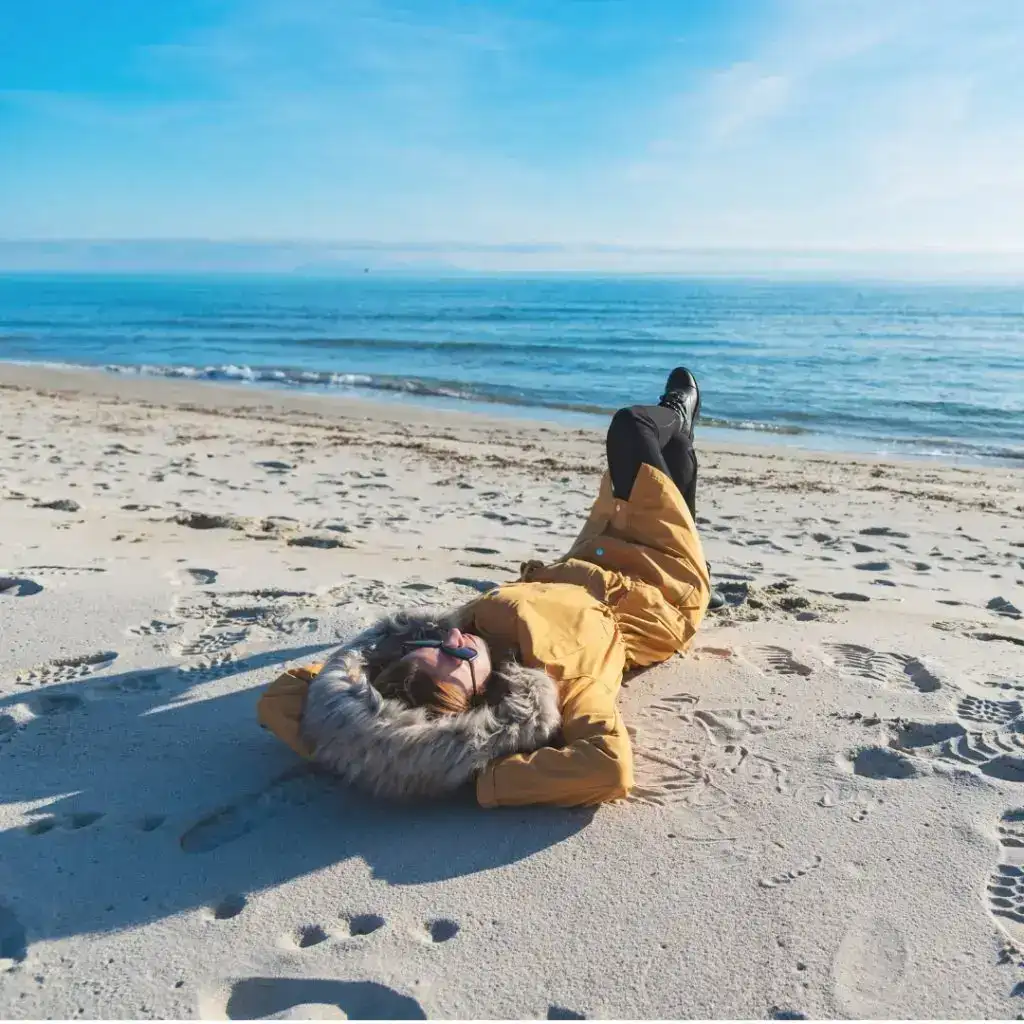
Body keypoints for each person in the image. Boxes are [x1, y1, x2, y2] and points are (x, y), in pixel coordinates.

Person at [258, 367, 713, 808]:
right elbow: (607, 769)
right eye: (455, 656)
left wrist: (367, 714)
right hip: (659, 587)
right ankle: (677, 412)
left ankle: (683, 432)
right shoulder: (560, 682)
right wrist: (467, 771)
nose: (454, 636)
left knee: (668, 461)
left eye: (429, 645)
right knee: (632, 428)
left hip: (595, 552)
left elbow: (281, 698)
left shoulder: (463, 640)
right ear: (474, 701)